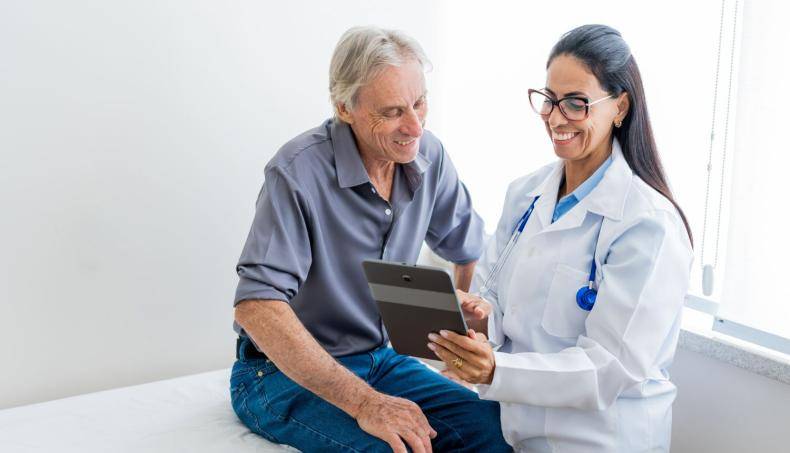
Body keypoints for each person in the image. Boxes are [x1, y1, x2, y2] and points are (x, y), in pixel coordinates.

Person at [229, 26, 510, 453]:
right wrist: (365, 403)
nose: (414, 126)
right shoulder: (295, 172)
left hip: (382, 359)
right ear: (345, 107)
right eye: (394, 111)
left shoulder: (429, 156)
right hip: (277, 374)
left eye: (419, 103)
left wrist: (457, 345)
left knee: (500, 429)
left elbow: (469, 247)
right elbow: (256, 306)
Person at [427, 24, 694, 452]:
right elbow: (503, 309)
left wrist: (496, 371)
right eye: (549, 100)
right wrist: (477, 320)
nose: (555, 117)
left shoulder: (649, 225)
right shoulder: (525, 194)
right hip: (517, 428)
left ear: (620, 107)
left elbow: (610, 368)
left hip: (600, 440)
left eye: (576, 103)